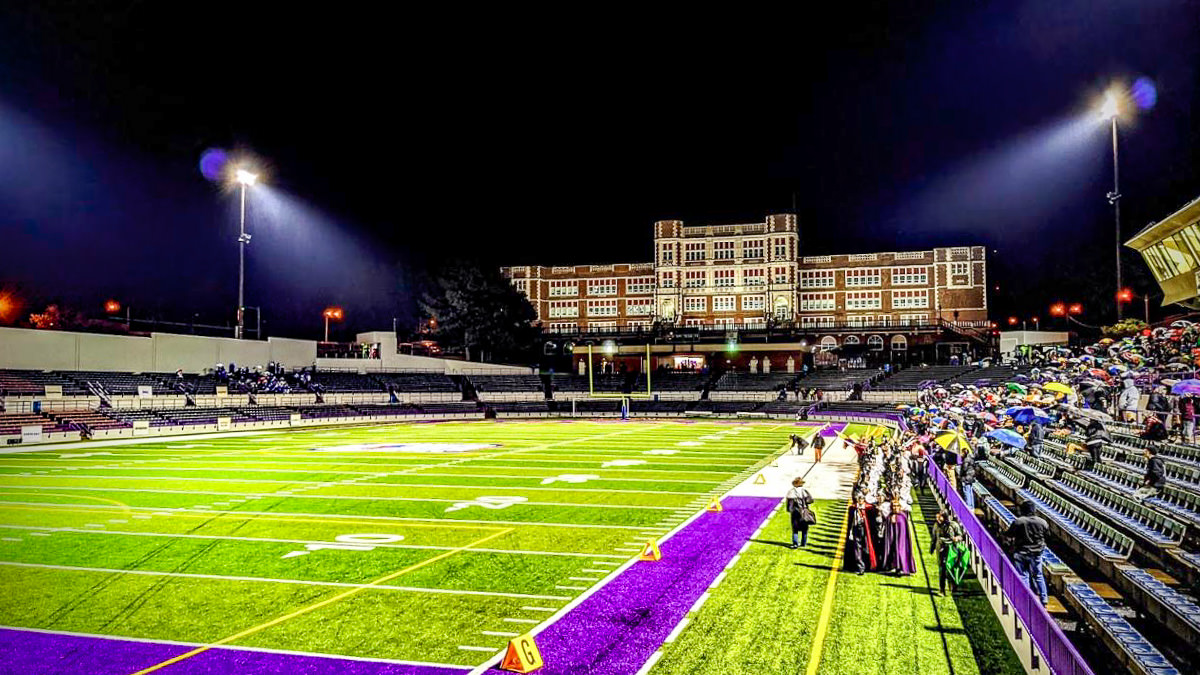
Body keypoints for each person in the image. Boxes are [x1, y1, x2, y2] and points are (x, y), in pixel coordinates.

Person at [1004, 500, 1049, 606]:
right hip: (1037, 553)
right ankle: (1044, 598)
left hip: (1021, 552)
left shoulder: (1019, 521)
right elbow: (1048, 535)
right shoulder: (1042, 522)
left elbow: (1009, 534)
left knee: (1023, 576)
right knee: (1038, 575)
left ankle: (1026, 599)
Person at [930, 510, 965, 596]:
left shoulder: (953, 525)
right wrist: (932, 547)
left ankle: (953, 587)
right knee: (942, 569)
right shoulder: (936, 526)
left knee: (952, 567)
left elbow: (961, 536)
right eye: (937, 517)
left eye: (939, 517)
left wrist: (956, 538)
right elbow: (934, 537)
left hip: (952, 548)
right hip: (941, 548)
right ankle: (942, 589)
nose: (938, 519)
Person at [845, 494, 877, 575]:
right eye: (858, 499)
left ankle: (867, 565)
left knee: (866, 547)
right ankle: (860, 567)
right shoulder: (853, 508)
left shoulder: (869, 508)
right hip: (856, 528)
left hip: (866, 530)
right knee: (857, 548)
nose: (860, 501)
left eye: (861, 499)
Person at [786, 477, 815, 548]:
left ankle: (795, 543)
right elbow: (810, 500)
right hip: (804, 510)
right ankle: (803, 543)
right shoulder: (804, 491)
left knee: (795, 528)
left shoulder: (791, 492)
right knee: (804, 527)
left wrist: (789, 510)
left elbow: (789, 503)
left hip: (795, 512)